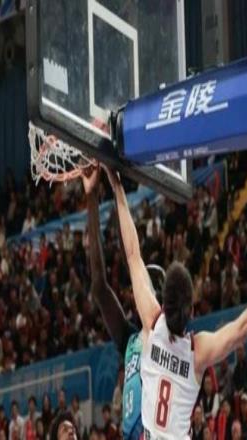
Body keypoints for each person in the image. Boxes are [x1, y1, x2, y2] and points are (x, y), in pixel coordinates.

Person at [105, 166, 247, 440]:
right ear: (192, 311)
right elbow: (243, 327)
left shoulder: (151, 321)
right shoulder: (196, 352)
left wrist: (116, 185)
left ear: (163, 303)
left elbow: (132, 254)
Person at [81, 166, 165, 440]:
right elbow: (99, 287)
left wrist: (116, 185)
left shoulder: (164, 337)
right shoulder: (130, 339)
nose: (140, 290)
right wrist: (91, 199)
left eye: (147, 286)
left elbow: (132, 255)